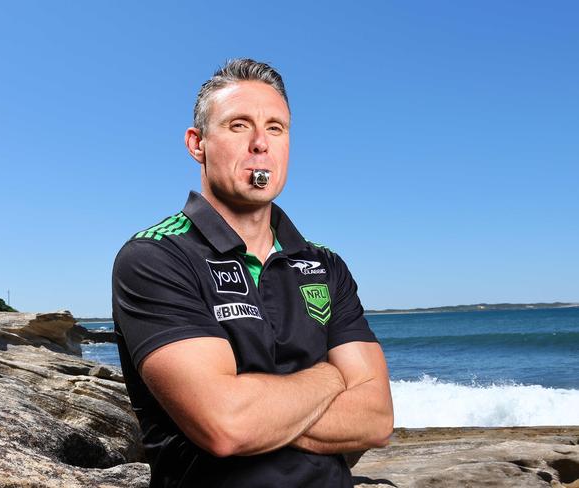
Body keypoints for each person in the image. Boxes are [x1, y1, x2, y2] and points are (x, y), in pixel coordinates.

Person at [112, 58, 394, 488]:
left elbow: (376, 418)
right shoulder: (155, 257)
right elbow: (227, 426)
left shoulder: (324, 264)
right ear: (197, 143)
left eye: (275, 128)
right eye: (239, 125)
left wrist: (259, 408)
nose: (260, 143)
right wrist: (333, 377)